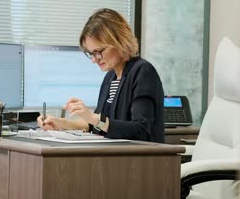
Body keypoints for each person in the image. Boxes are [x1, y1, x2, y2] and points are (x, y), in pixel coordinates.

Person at [37, 8, 165, 142]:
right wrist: (60, 123)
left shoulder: (142, 71)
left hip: (143, 160)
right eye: (91, 53)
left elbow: (141, 129)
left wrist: (92, 117)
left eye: (98, 51)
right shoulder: (110, 77)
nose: (94, 59)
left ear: (118, 41)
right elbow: (96, 126)